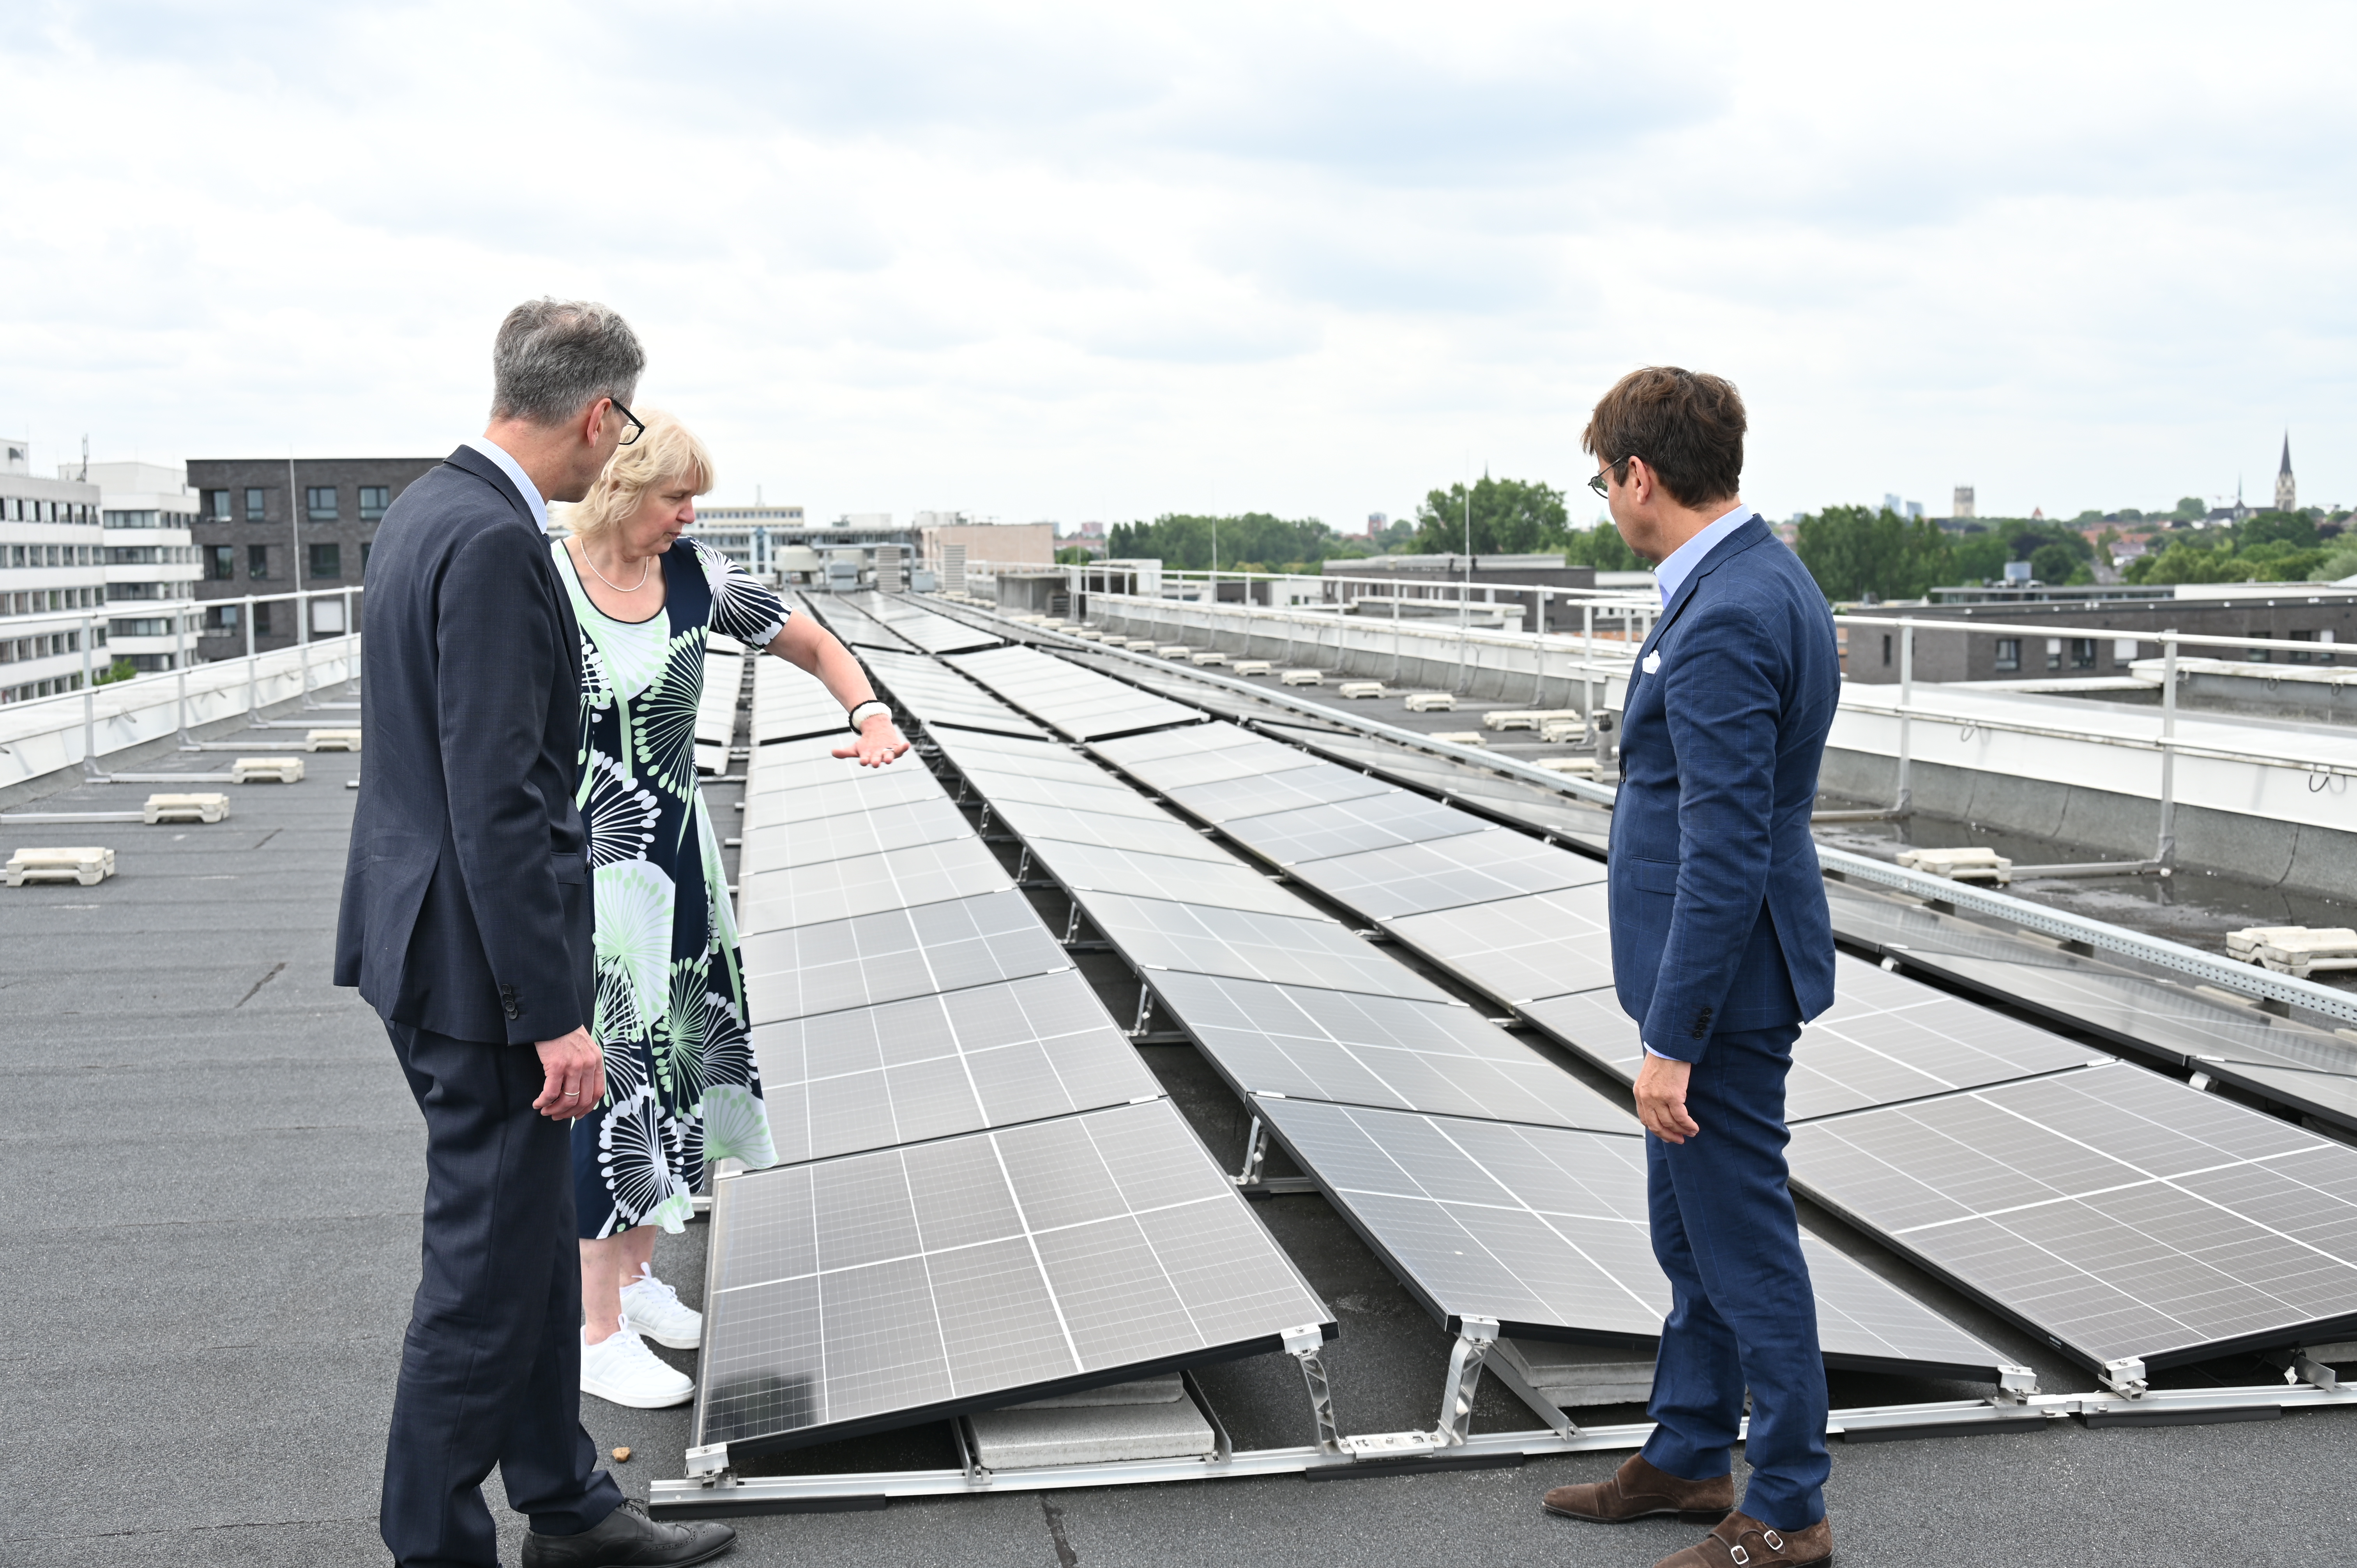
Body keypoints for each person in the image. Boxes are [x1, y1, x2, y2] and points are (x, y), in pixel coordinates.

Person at [336, 298, 735, 1568]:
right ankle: (434, 1544)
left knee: (521, 1251)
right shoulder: (499, 543)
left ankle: (566, 1503)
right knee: (484, 1272)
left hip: (423, 942)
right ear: (601, 416)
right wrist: (553, 1015)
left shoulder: (426, 510)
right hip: (481, 977)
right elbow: (501, 796)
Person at [1539, 367, 1841, 1568]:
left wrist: (1674, 1040)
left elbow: (1725, 846)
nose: (1608, 500)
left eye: (1603, 481)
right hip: (1715, 976)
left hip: (1720, 990)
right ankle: (1687, 1452)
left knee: (1743, 1243)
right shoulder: (1763, 575)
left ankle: (1790, 1508)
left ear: (1640, 476)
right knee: (1692, 1236)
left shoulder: (1724, 615)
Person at [553, 407, 908, 1409]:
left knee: (672, 1074)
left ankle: (634, 1280)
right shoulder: (546, 582)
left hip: (679, 856)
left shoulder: (697, 578)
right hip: (592, 874)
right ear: (621, 488)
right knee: (613, 1089)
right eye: (677, 496)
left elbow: (813, 642)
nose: (690, 514)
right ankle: (592, 1332)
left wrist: (868, 710)